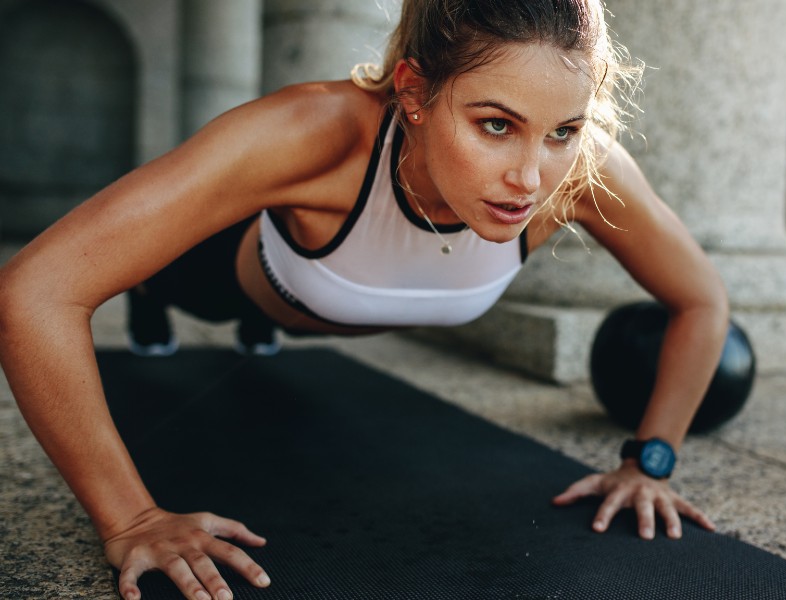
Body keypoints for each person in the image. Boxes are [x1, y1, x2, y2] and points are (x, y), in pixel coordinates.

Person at [0, 0, 730, 599]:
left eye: (562, 132)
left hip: (321, 302)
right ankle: (152, 288)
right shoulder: (311, 135)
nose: (531, 178)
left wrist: (651, 460)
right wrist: (130, 521)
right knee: (170, 277)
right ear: (413, 92)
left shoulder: (585, 173)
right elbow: (32, 291)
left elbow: (701, 301)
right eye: (496, 125)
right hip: (236, 275)